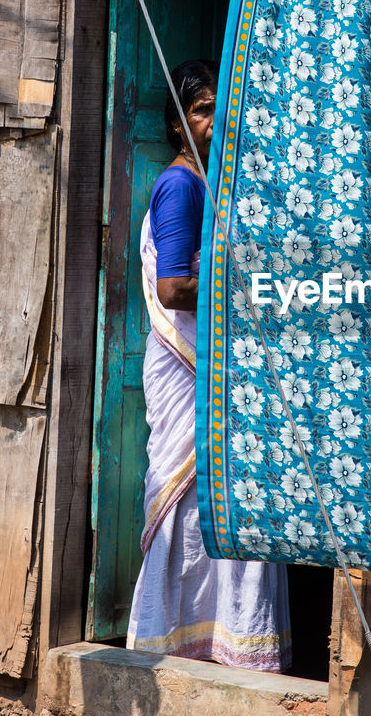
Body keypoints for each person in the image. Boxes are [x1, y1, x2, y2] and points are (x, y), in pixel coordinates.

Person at [125, 59, 291, 671]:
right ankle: (172, 637)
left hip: (216, 365)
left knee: (227, 500)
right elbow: (172, 288)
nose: (215, 120)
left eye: (223, 107)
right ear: (176, 123)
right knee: (191, 503)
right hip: (189, 368)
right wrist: (248, 288)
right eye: (200, 110)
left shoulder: (217, 185)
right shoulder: (182, 186)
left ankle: (229, 642)